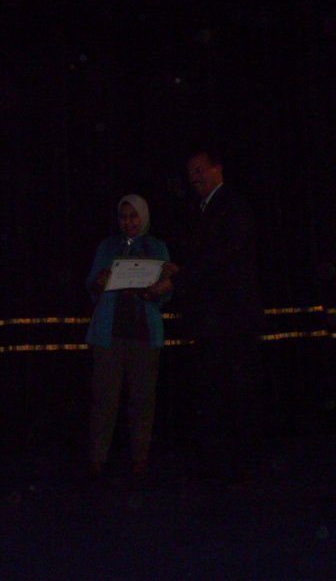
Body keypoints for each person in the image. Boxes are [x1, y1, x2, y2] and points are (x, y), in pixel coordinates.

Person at [148, 149, 265, 484]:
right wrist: (181, 273)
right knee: (212, 391)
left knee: (235, 392)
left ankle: (243, 462)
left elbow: (221, 259)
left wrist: (176, 281)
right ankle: (218, 461)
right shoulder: (207, 208)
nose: (195, 177)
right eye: (190, 173)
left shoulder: (232, 206)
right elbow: (210, 263)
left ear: (218, 169)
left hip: (232, 320)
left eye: (200, 169)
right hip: (215, 320)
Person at [85, 194, 171, 478]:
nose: (128, 222)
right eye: (123, 217)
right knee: (104, 400)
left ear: (143, 217)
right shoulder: (107, 246)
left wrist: (158, 289)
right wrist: (99, 282)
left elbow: (166, 293)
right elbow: (91, 287)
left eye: (133, 216)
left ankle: (140, 457)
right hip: (108, 334)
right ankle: (97, 458)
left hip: (144, 334)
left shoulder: (156, 246)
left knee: (142, 400)